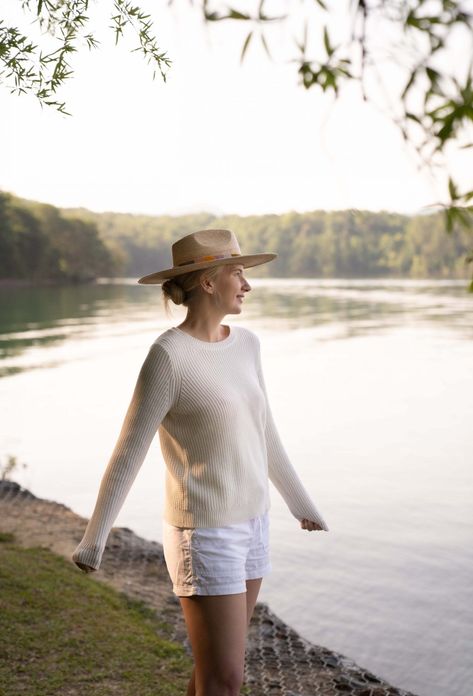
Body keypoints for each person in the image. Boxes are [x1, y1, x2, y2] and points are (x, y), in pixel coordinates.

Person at [72, 228, 329, 696]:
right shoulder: (167, 357)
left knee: (217, 674)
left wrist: (300, 502)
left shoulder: (247, 344)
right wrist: (95, 538)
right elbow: (129, 450)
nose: (247, 284)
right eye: (238, 273)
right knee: (225, 679)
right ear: (208, 283)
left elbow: (264, 431)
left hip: (253, 522)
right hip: (205, 534)